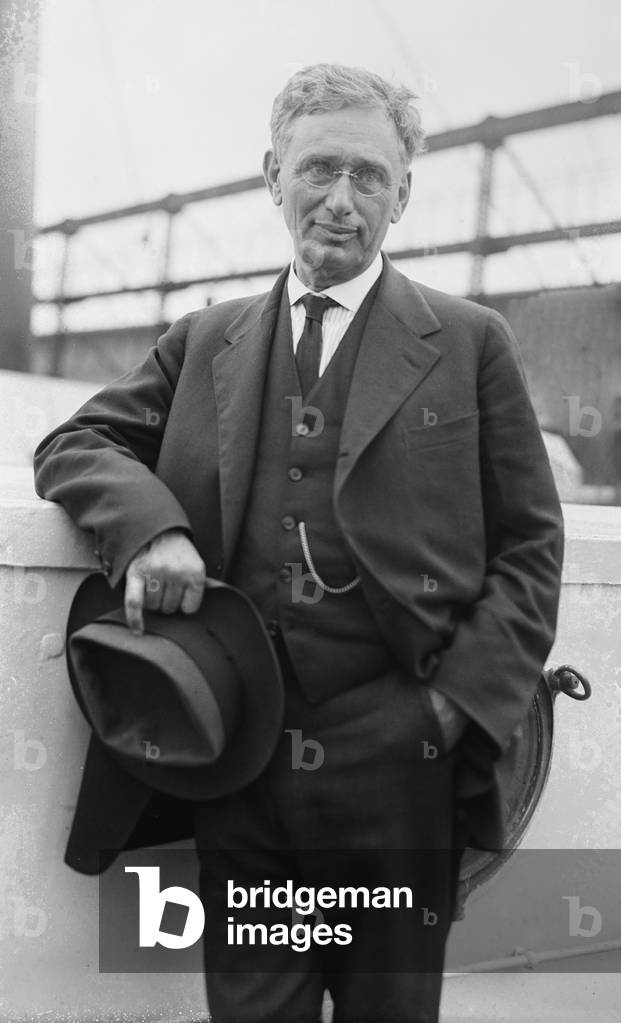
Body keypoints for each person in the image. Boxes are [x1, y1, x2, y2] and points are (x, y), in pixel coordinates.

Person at [34, 63, 564, 1023]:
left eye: (370, 177)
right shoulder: (205, 339)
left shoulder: (469, 339)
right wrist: (150, 528)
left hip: (404, 763)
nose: (341, 199)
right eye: (319, 169)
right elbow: (74, 443)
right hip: (240, 757)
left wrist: (448, 715)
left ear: (401, 195)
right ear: (270, 173)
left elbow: (529, 550)